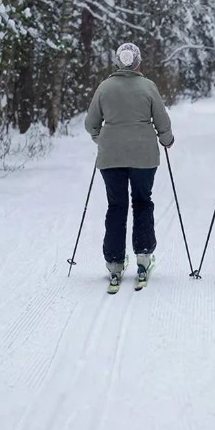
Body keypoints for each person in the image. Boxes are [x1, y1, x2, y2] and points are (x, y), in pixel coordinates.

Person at [85, 43, 174, 283]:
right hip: (144, 156)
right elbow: (162, 120)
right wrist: (167, 140)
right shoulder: (148, 87)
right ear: (138, 63)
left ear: (118, 62)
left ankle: (114, 262)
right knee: (142, 201)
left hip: (110, 157)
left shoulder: (104, 88)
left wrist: (102, 139)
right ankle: (143, 257)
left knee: (116, 205)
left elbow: (91, 124)